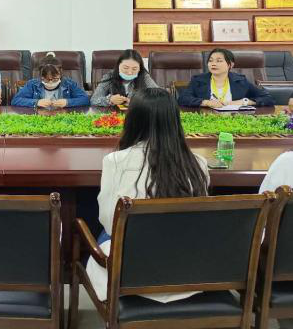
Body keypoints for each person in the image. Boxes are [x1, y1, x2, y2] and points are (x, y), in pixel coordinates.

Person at [85, 89, 209, 302]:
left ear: (132, 120)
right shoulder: (198, 163)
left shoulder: (116, 161)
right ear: (174, 120)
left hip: (131, 272)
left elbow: (108, 222)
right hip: (187, 270)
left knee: (105, 232)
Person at [178, 48, 274, 108]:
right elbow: (182, 99)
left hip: (235, 120)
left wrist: (244, 102)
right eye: (210, 61)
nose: (213, 64)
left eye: (219, 61)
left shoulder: (240, 81)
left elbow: (268, 98)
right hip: (206, 119)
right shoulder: (198, 80)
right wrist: (206, 102)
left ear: (230, 65)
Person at [11, 52, 89, 108]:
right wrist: (36, 102)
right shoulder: (32, 84)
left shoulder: (69, 84)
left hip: (63, 118)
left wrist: (67, 102)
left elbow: (85, 100)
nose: (50, 82)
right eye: (46, 79)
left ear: (60, 73)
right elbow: (15, 100)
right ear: (41, 75)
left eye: (54, 79)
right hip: (40, 118)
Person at [90, 49, 158, 107]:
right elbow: (94, 100)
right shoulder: (109, 76)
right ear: (118, 66)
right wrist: (109, 100)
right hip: (113, 114)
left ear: (140, 68)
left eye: (134, 69)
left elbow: (160, 98)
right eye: (126, 68)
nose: (130, 72)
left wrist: (138, 102)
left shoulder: (144, 77)